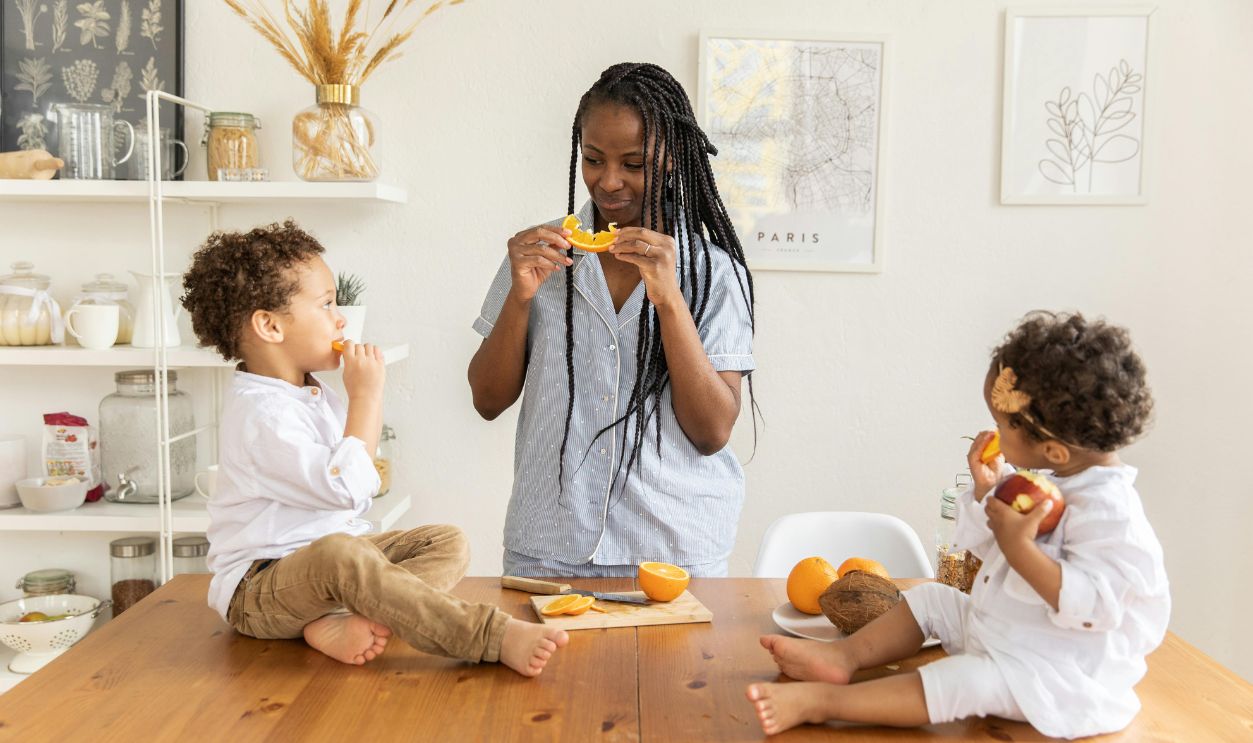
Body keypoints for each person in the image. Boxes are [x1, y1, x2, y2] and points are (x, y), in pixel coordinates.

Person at [747, 311, 1169, 738]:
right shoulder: (1058, 481)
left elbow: (1096, 605)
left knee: (967, 680)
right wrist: (988, 492)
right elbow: (994, 554)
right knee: (932, 599)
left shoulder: (1111, 513)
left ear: (1054, 450)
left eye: (1003, 424)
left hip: (1055, 678)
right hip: (1008, 637)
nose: (995, 434)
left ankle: (823, 704)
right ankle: (843, 659)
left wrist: (1020, 547)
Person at [181, 220, 567, 675]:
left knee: (445, 541)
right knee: (341, 556)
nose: (341, 318)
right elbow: (347, 488)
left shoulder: (305, 391)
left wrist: (359, 398)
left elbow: (352, 480)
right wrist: (366, 397)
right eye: (326, 305)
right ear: (269, 326)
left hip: (326, 572)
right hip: (260, 588)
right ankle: (489, 636)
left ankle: (347, 617)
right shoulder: (261, 415)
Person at [468, 62, 758, 578]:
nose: (609, 181)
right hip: (548, 552)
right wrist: (519, 297)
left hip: (671, 556)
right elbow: (487, 400)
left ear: (670, 159)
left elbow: (713, 430)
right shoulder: (541, 253)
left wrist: (669, 301)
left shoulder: (711, 271)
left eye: (633, 163)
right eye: (593, 159)